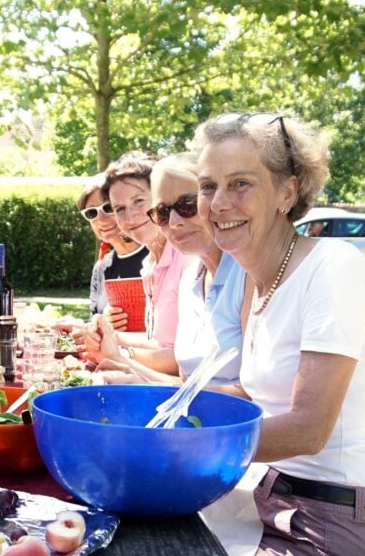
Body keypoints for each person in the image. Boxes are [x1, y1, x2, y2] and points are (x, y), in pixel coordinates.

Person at [192, 111, 365, 556]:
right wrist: (151, 400)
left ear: (287, 192)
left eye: (241, 184)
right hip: (260, 506)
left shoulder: (334, 269)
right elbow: (250, 394)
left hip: (326, 536)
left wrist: (182, 442)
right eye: (208, 186)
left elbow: (307, 427)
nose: (218, 204)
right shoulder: (258, 282)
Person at [92, 153, 249, 387]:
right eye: (163, 212)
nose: (174, 221)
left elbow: (257, 395)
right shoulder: (192, 276)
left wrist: (125, 356)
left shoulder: (247, 274)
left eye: (187, 205)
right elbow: (185, 381)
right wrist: (118, 360)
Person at [84, 151, 192, 375]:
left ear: (160, 198)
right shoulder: (150, 263)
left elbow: (183, 360)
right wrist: (109, 336)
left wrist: (121, 354)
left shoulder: (187, 258)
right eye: (119, 209)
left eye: (139, 201)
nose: (130, 216)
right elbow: (161, 342)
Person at [77, 172, 148, 322]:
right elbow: (93, 317)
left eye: (108, 208)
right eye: (92, 213)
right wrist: (97, 323)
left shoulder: (155, 256)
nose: (101, 219)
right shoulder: (101, 268)